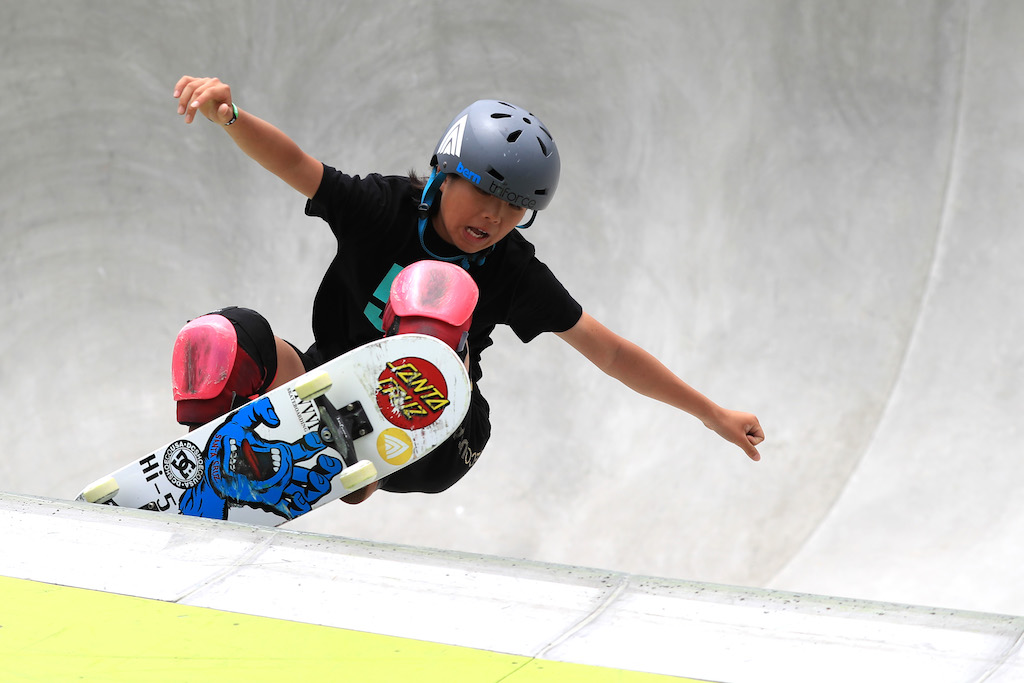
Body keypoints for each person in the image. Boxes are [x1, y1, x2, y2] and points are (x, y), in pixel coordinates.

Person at [171, 76, 765, 505]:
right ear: (443, 174)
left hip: (441, 437)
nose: (495, 218)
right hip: (334, 387)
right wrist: (230, 116)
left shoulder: (511, 269)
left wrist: (711, 414)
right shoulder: (381, 209)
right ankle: (204, 461)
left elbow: (609, 351)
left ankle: (361, 462)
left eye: (515, 208)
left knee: (437, 292)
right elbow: (296, 164)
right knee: (226, 338)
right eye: (484, 192)